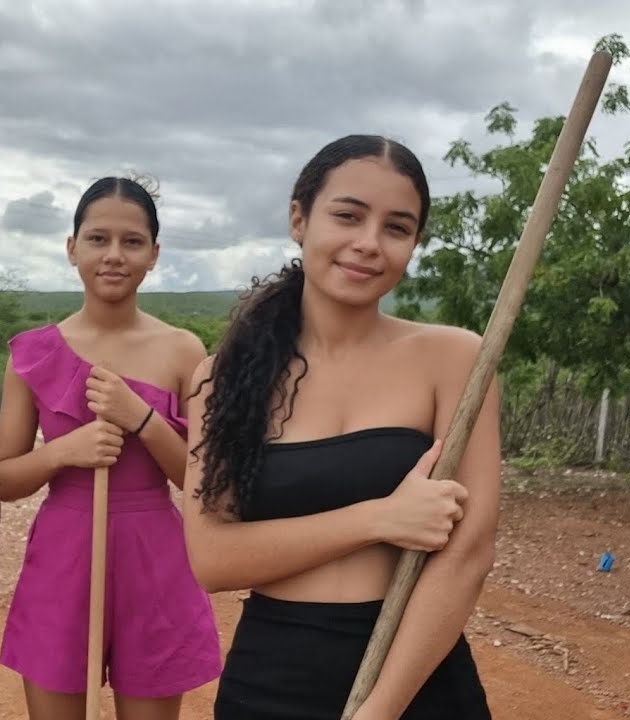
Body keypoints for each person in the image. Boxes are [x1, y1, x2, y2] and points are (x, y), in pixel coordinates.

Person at [182, 135, 500, 720]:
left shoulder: (455, 358)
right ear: (299, 219)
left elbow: (469, 552)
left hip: (416, 680)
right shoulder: (224, 378)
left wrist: (381, 709)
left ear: (414, 244)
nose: (369, 243)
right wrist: (378, 518)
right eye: (348, 216)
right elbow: (213, 559)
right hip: (269, 683)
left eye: (396, 228)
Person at [0, 176, 222, 719]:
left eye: (132, 241)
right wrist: (63, 452)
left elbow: (202, 484)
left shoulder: (183, 350)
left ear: (154, 254)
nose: (114, 255)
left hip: (155, 556)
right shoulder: (32, 354)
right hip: (64, 554)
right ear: (72, 248)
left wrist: (143, 419)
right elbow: (1, 480)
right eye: (98, 239)